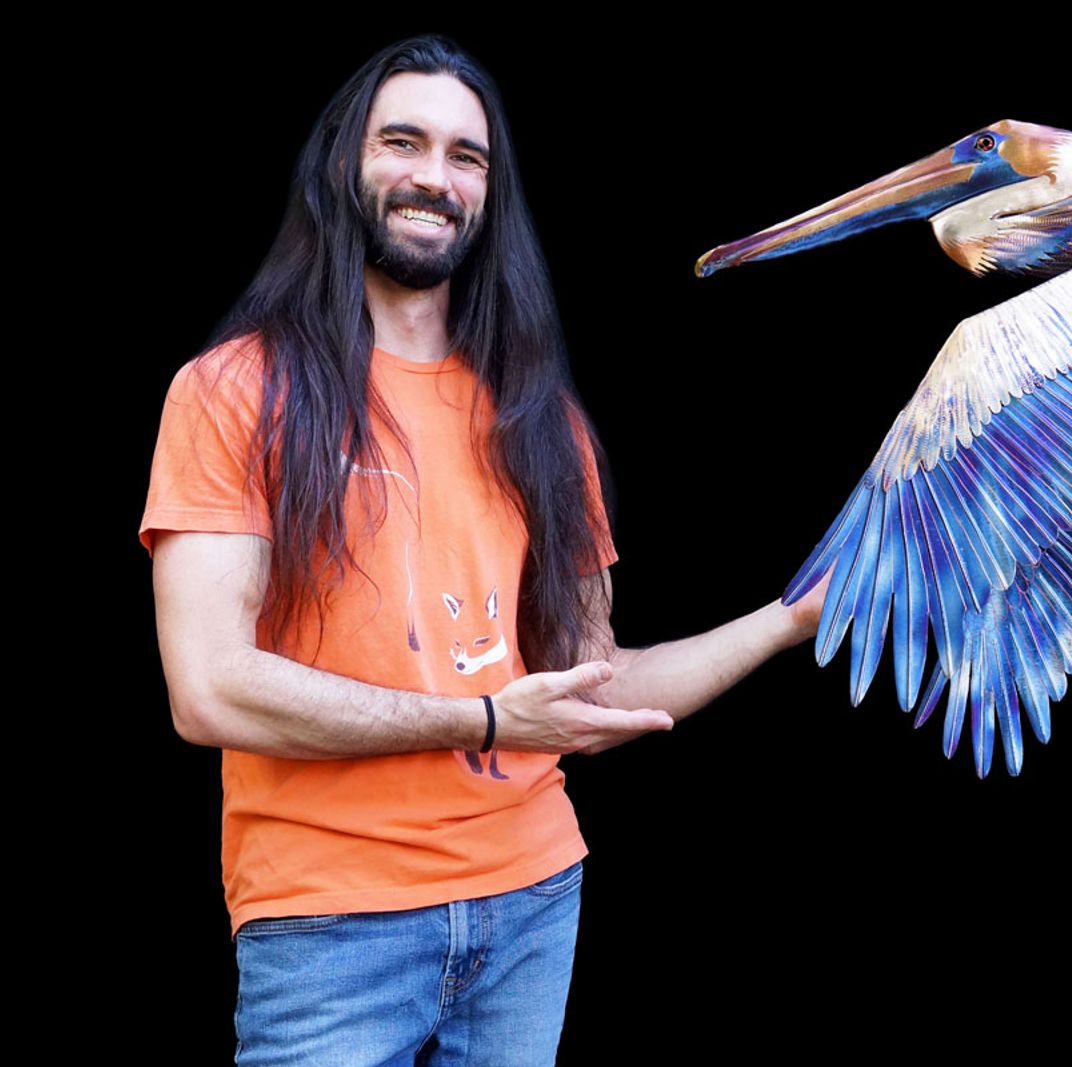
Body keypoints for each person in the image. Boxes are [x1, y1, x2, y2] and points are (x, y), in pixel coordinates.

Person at [140, 34, 828, 1065]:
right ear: (344, 165)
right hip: (331, 921)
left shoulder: (541, 419)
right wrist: (489, 716)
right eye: (403, 142)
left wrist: (795, 617)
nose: (434, 175)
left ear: (490, 193)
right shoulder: (237, 391)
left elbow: (595, 689)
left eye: (468, 156)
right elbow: (208, 688)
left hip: (533, 899)